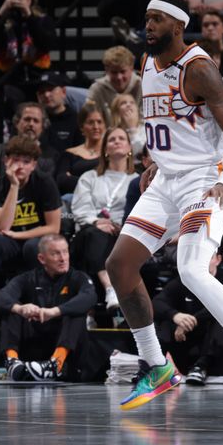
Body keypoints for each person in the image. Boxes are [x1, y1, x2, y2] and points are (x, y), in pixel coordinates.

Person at [104, 0, 223, 414]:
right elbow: (164, 124)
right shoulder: (147, 63)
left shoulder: (198, 69)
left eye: (156, 19)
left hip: (205, 179)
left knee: (190, 269)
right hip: (166, 180)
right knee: (119, 266)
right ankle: (157, 366)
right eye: (145, 18)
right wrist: (153, 160)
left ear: (178, 25)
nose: (147, 26)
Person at [0, 134, 61, 333]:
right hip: (9, 241)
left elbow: (53, 228)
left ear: (34, 165)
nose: (20, 166)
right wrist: (14, 186)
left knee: (35, 247)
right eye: (16, 160)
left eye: (26, 161)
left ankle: (42, 308)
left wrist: (18, 235)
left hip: (35, 240)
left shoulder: (44, 183)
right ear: (6, 161)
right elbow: (2, 225)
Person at [0, 234, 96, 382]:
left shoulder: (78, 277)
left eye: (65, 252)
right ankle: (12, 362)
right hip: (35, 341)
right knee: (12, 309)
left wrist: (54, 311)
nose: (63, 258)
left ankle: (56, 363)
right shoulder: (28, 278)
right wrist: (20, 309)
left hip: (66, 345)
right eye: (56, 253)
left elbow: (90, 297)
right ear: (42, 259)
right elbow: (0, 297)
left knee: (76, 312)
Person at [152, 251, 223, 385]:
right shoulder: (183, 281)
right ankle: (156, 365)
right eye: (201, 258)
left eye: (208, 258)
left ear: (218, 260)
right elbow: (156, 302)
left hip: (221, 355)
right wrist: (175, 315)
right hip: (189, 350)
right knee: (164, 318)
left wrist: (192, 321)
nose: (204, 262)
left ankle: (202, 365)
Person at [71, 127, 136, 311]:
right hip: (89, 231)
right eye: (111, 139)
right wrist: (97, 222)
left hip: (122, 232)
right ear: (105, 149)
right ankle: (110, 289)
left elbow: (139, 212)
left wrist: (120, 226)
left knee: (111, 239)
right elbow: (80, 208)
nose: (116, 141)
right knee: (95, 235)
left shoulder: (137, 179)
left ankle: (94, 307)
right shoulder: (89, 177)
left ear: (130, 147)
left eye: (121, 138)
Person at [56, 103, 106, 195]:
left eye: (99, 122)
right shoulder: (69, 153)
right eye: (90, 122)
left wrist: (73, 179)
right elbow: (62, 181)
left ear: (105, 125)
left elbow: (112, 182)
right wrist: (95, 184)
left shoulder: (110, 153)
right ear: (82, 127)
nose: (96, 127)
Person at [86, 46, 142, 121]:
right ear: (106, 70)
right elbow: (89, 117)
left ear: (131, 68)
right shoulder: (97, 88)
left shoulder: (143, 86)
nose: (119, 77)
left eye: (122, 71)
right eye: (114, 72)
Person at [36, 72, 82, 154]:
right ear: (37, 96)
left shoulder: (78, 121)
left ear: (63, 92)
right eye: (42, 92)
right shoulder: (34, 120)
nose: (46, 95)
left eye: (51, 89)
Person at [110, 94, 147, 163]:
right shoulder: (112, 132)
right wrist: (131, 128)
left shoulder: (146, 127)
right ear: (117, 111)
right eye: (123, 103)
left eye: (132, 102)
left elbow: (143, 152)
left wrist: (132, 128)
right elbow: (128, 153)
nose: (128, 105)